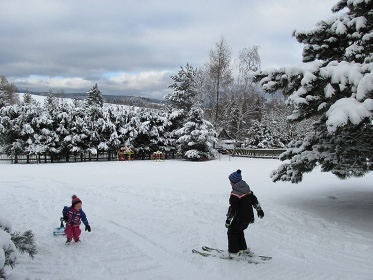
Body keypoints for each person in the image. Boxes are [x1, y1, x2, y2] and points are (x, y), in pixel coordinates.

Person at [225, 169, 264, 256]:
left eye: (230, 181)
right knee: (239, 230)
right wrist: (259, 210)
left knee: (232, 231)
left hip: (240, 218)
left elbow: (233, 208)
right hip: (248, 217)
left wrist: (228, 220)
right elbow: (254, 199)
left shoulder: (235, 193)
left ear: (234, 182)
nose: (230, 183)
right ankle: (243, 249)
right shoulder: (247, 189)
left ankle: (233, 252)